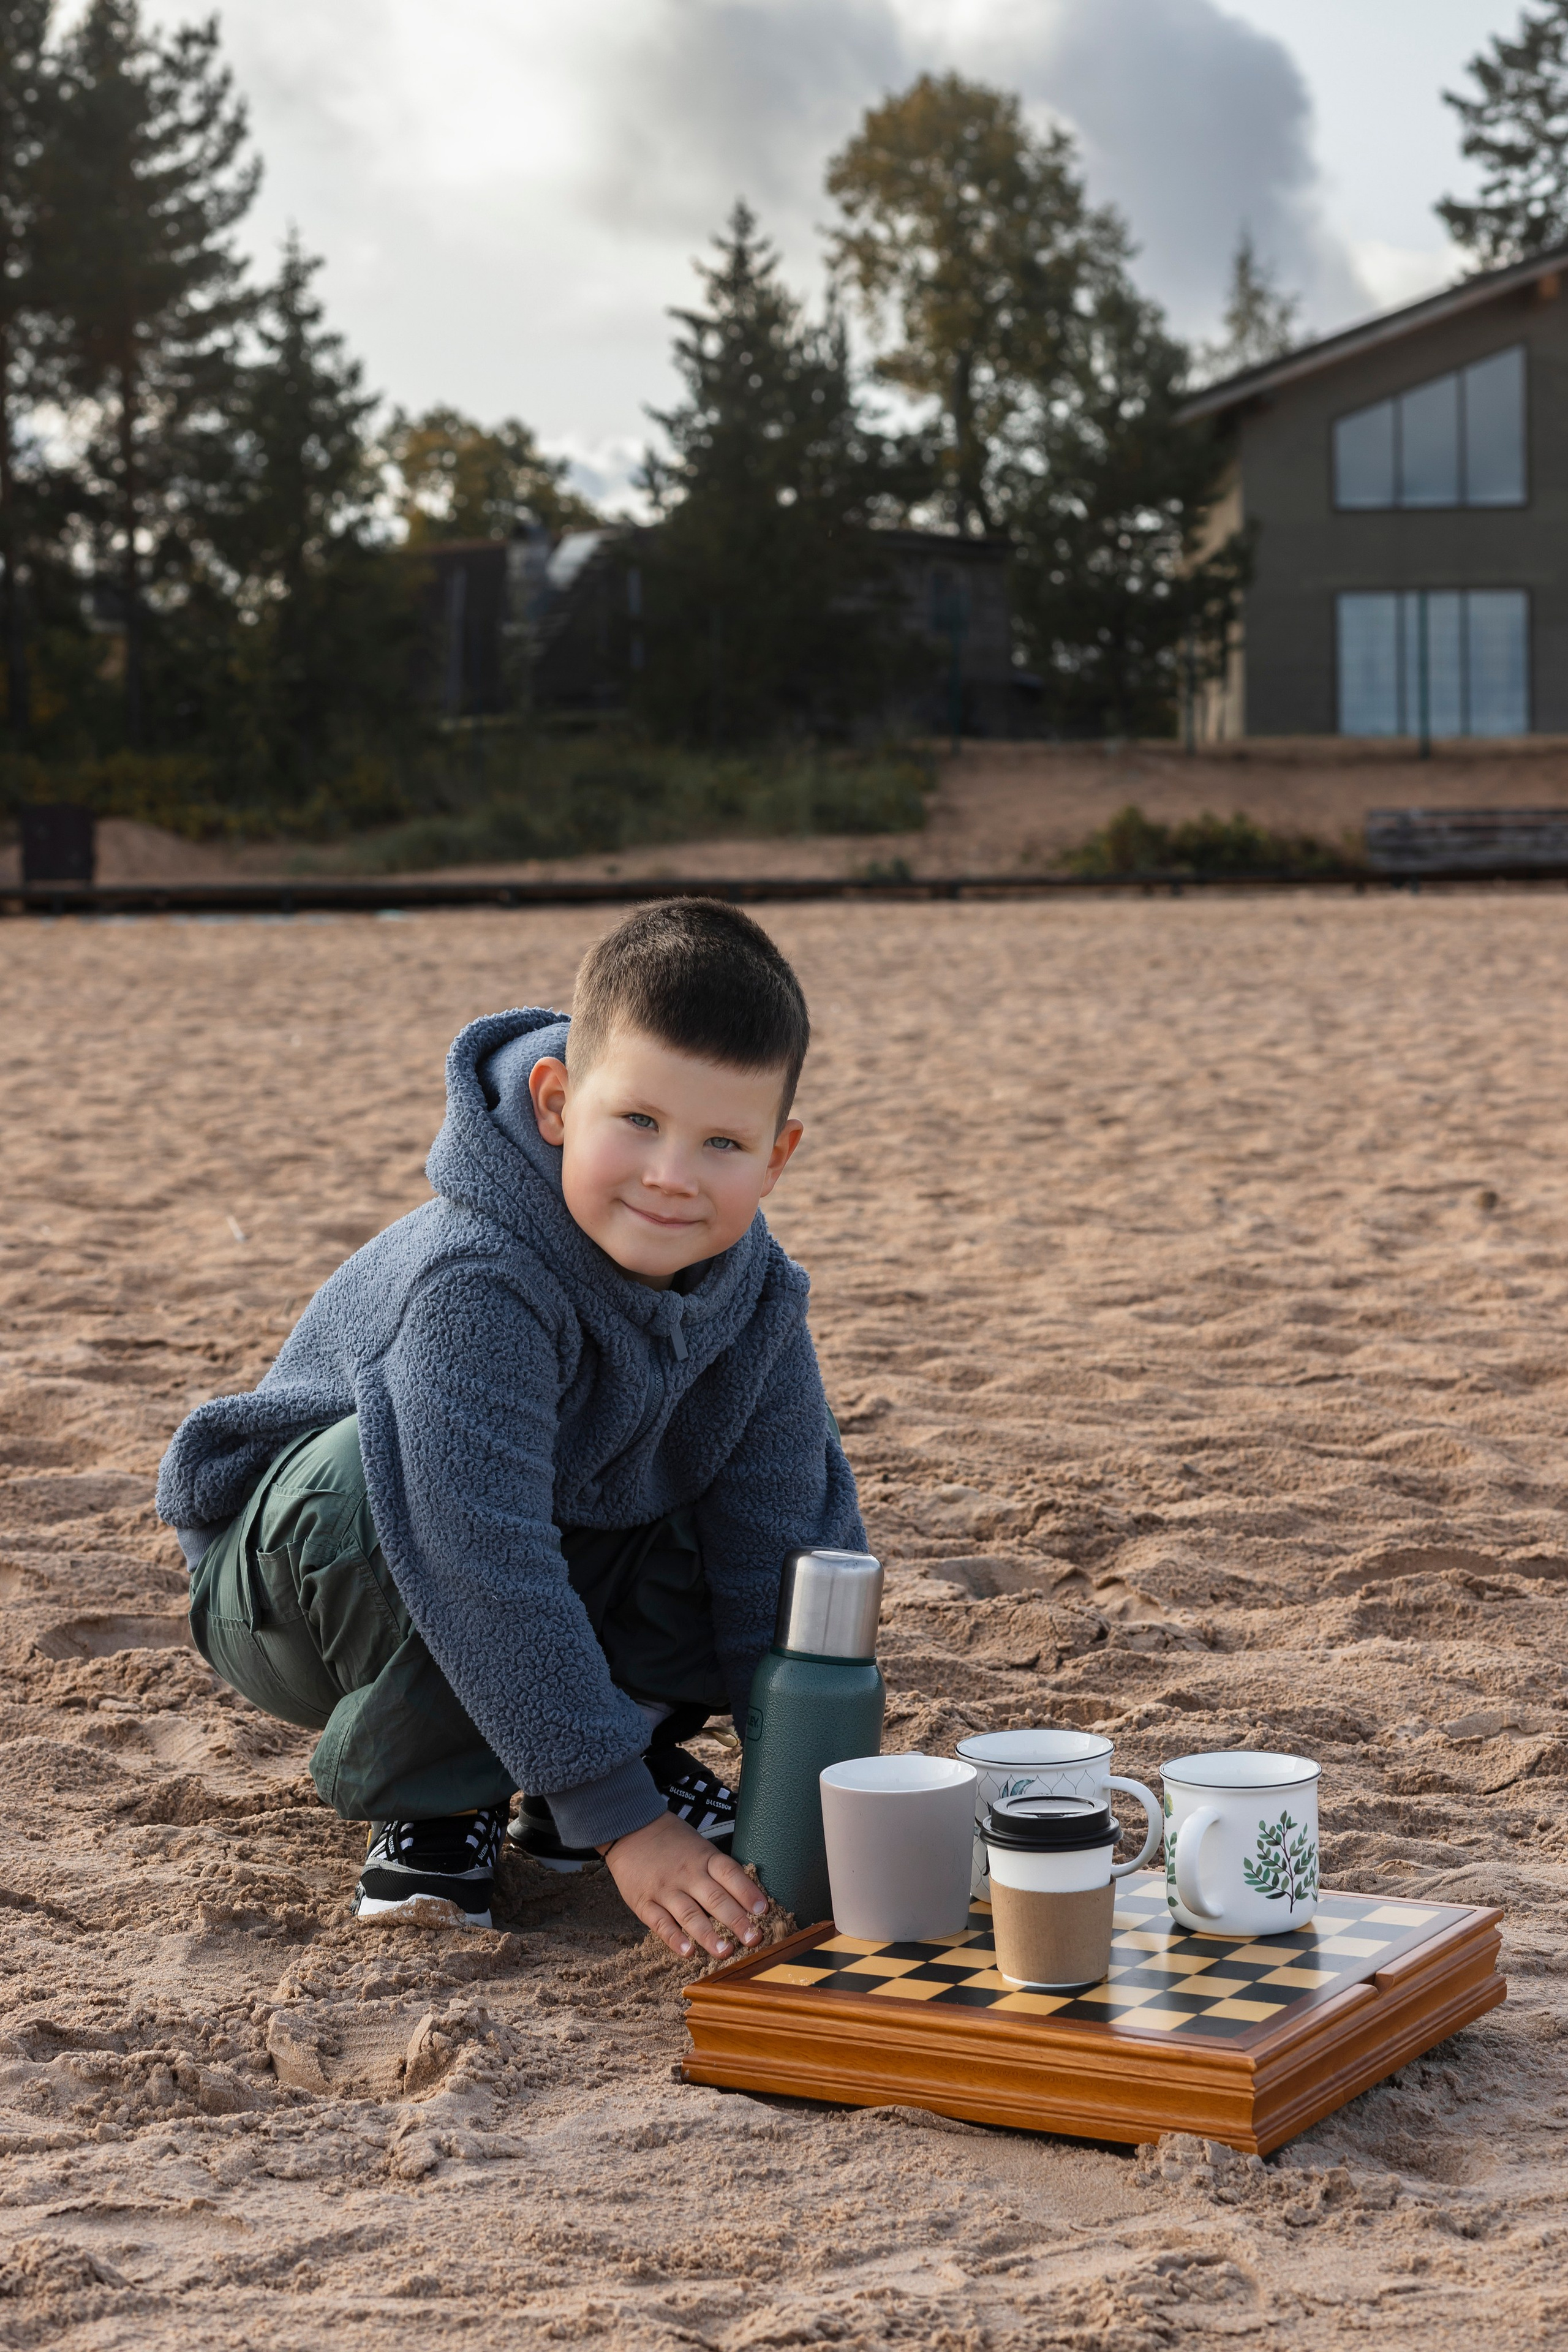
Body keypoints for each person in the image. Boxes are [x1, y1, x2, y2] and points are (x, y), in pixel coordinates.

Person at [156, 899, 864, 1959]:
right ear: (556, 1102)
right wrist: (628, 1827)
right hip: (297, 1596)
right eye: (638, 1121)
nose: (672, 1175)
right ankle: (446, 1802)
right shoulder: (477, 1277)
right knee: (403, 1489)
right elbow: (476, 1558)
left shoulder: (759, 1301)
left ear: (776, 1159)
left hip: (535, 1552)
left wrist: (800, 1812)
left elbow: (783, 1550)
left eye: (722, 1142)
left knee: (756, 1538)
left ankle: (578, 1776)